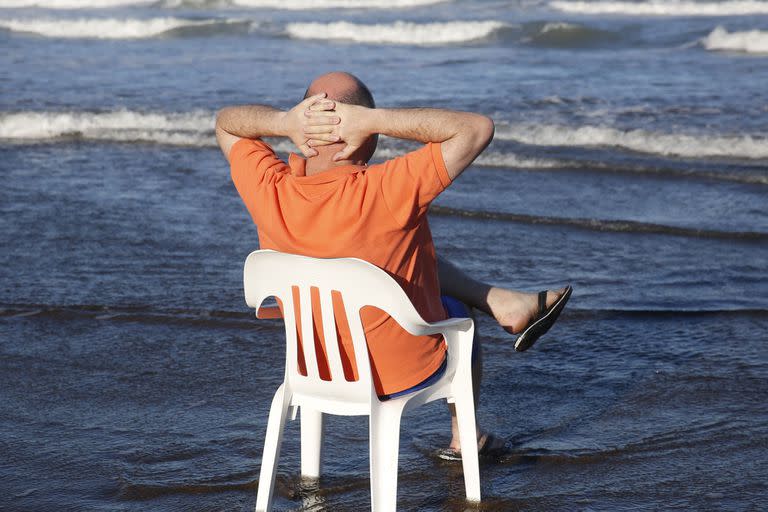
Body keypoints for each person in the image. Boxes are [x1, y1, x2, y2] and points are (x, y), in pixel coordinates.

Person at [215, 71, 571, 457]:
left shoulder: (267, 185)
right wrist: (372, 118)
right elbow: (476, 128)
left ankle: (503, 302)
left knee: (399, 260)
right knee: (458, 317)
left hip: (313, 368)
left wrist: (283, 122)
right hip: (400, 373)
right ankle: (467, 438)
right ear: (365, 136)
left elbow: (226, 123)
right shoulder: (387, 187)